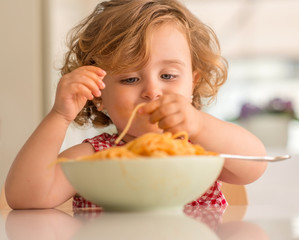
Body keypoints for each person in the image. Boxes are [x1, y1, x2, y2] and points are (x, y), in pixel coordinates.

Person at [5, 0, 267, 209]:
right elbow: (25, 198)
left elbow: (255, 165)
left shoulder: (200, 150)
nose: (152, 91)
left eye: (168, 76)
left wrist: (199, 125)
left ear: (193, 83)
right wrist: (59, 116)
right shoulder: (94, 158)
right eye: (130, 78)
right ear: (98, 95)